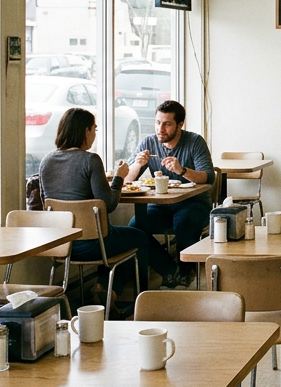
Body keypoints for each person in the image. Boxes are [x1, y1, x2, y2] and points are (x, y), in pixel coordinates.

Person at [37, 108, 189, 303]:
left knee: (118, 238)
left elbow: (46, 202)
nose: (94, 134)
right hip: (93, 243)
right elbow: (108, 204)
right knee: (138, 237)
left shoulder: (46, 161)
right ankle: (143, 297)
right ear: (85, 131)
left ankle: (109, 290)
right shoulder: (90, 160)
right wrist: (119, 177)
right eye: (94, 129)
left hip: (59, 244)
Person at [126, 100, 215, 256]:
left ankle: (185, 271)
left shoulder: (195, 142)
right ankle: (169, 269)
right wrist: (137, 165)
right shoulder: (149, 142)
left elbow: (208, 177)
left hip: (193, 203)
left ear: (180, 125)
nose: (160, 129)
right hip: (160, 205)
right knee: (135, 228)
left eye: (167, 124)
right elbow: (125, 179)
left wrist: (182, 170)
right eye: (158, 123)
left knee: (184, 224)